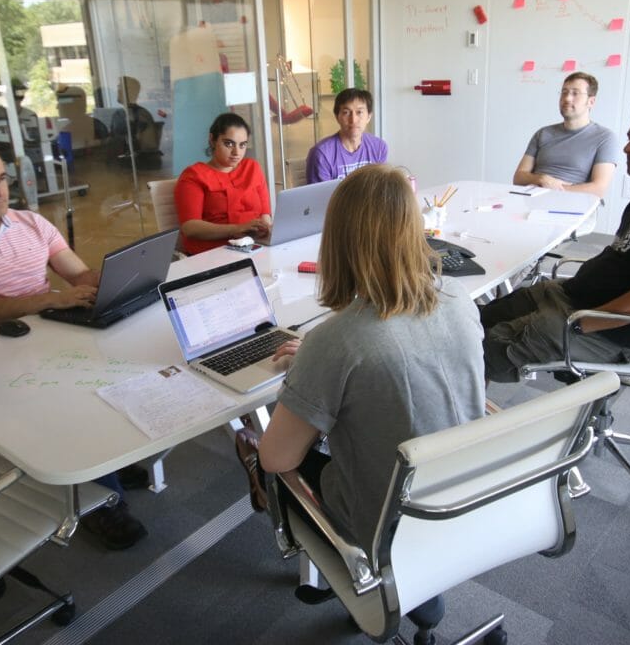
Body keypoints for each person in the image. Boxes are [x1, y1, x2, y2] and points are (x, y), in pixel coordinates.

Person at [235, 164, 485, 628]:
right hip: (467, 492)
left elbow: (278, 458)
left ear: (337, 241)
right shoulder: (459, 297)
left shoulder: (338, 340)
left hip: (386, 521)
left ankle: (362, 572)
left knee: (263, 453)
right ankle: (408, 584)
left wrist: (312, 372)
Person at [0, 139, 149, 550]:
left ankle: (103, 461)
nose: (0, 191)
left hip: (51, 334)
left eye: (2, 178)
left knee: (121, 370)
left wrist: (125, 274)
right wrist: (51, 299)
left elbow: (79, 276)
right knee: (78, 402)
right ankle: (102, 502)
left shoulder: (31, 223)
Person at [484, 102, 630, 384]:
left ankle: (461, 410)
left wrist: (580, 324)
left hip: (598, 327)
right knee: (481, 317)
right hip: (570, 297)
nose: (628, 148)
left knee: (481, 351)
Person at [175, 112, 271, 254]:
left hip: (254, 246)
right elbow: (189, 227)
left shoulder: (252, 168)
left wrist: (266, 228)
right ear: (212, 140)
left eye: (242, 145)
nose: (236, 152)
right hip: (213, 251)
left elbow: (265, 214)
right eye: (229, 143)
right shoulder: (194, 175)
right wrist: (237, 228)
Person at [513, 72, 621, 197]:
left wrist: (554, 189)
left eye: (575, 93)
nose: (567, 98)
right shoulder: (542, 133)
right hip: (532, 201)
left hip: (573, 206)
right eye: (564, 92)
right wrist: (541, 179)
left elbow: (599, 189)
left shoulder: (605, 138)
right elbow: (518, 177)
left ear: (591, 101)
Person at [305, 88, 387, 183]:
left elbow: (380, 187)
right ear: (337, 117)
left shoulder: (379, 147)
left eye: (359, 112)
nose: (353, 120)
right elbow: (319, 196)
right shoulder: (321, 154)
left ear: (369, 117)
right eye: (346, 112)